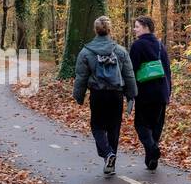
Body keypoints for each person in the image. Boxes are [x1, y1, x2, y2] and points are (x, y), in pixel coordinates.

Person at [73, 16, 137, 175]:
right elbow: (129, 75)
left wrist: (79, 96)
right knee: (114, 127)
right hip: (116, 94)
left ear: (95, 30)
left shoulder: (86, 52)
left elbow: (81, 76)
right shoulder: (120, 51)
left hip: (98, 94)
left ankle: (108, 154)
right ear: (110, 30)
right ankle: (111, 163)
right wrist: (132, 95)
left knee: (97, 126)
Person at [129, 16, 172, 171]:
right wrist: (169, 92)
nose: (135, 29)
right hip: (161, 92)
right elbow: (167, 71)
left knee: (141, 125)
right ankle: (151, 160)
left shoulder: (137, 46)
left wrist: (129, 91)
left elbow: (131, 70)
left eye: (137, 26)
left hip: (145, 93)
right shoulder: (161, 45)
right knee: (156, 126)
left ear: (146, 27)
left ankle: (153, 150)